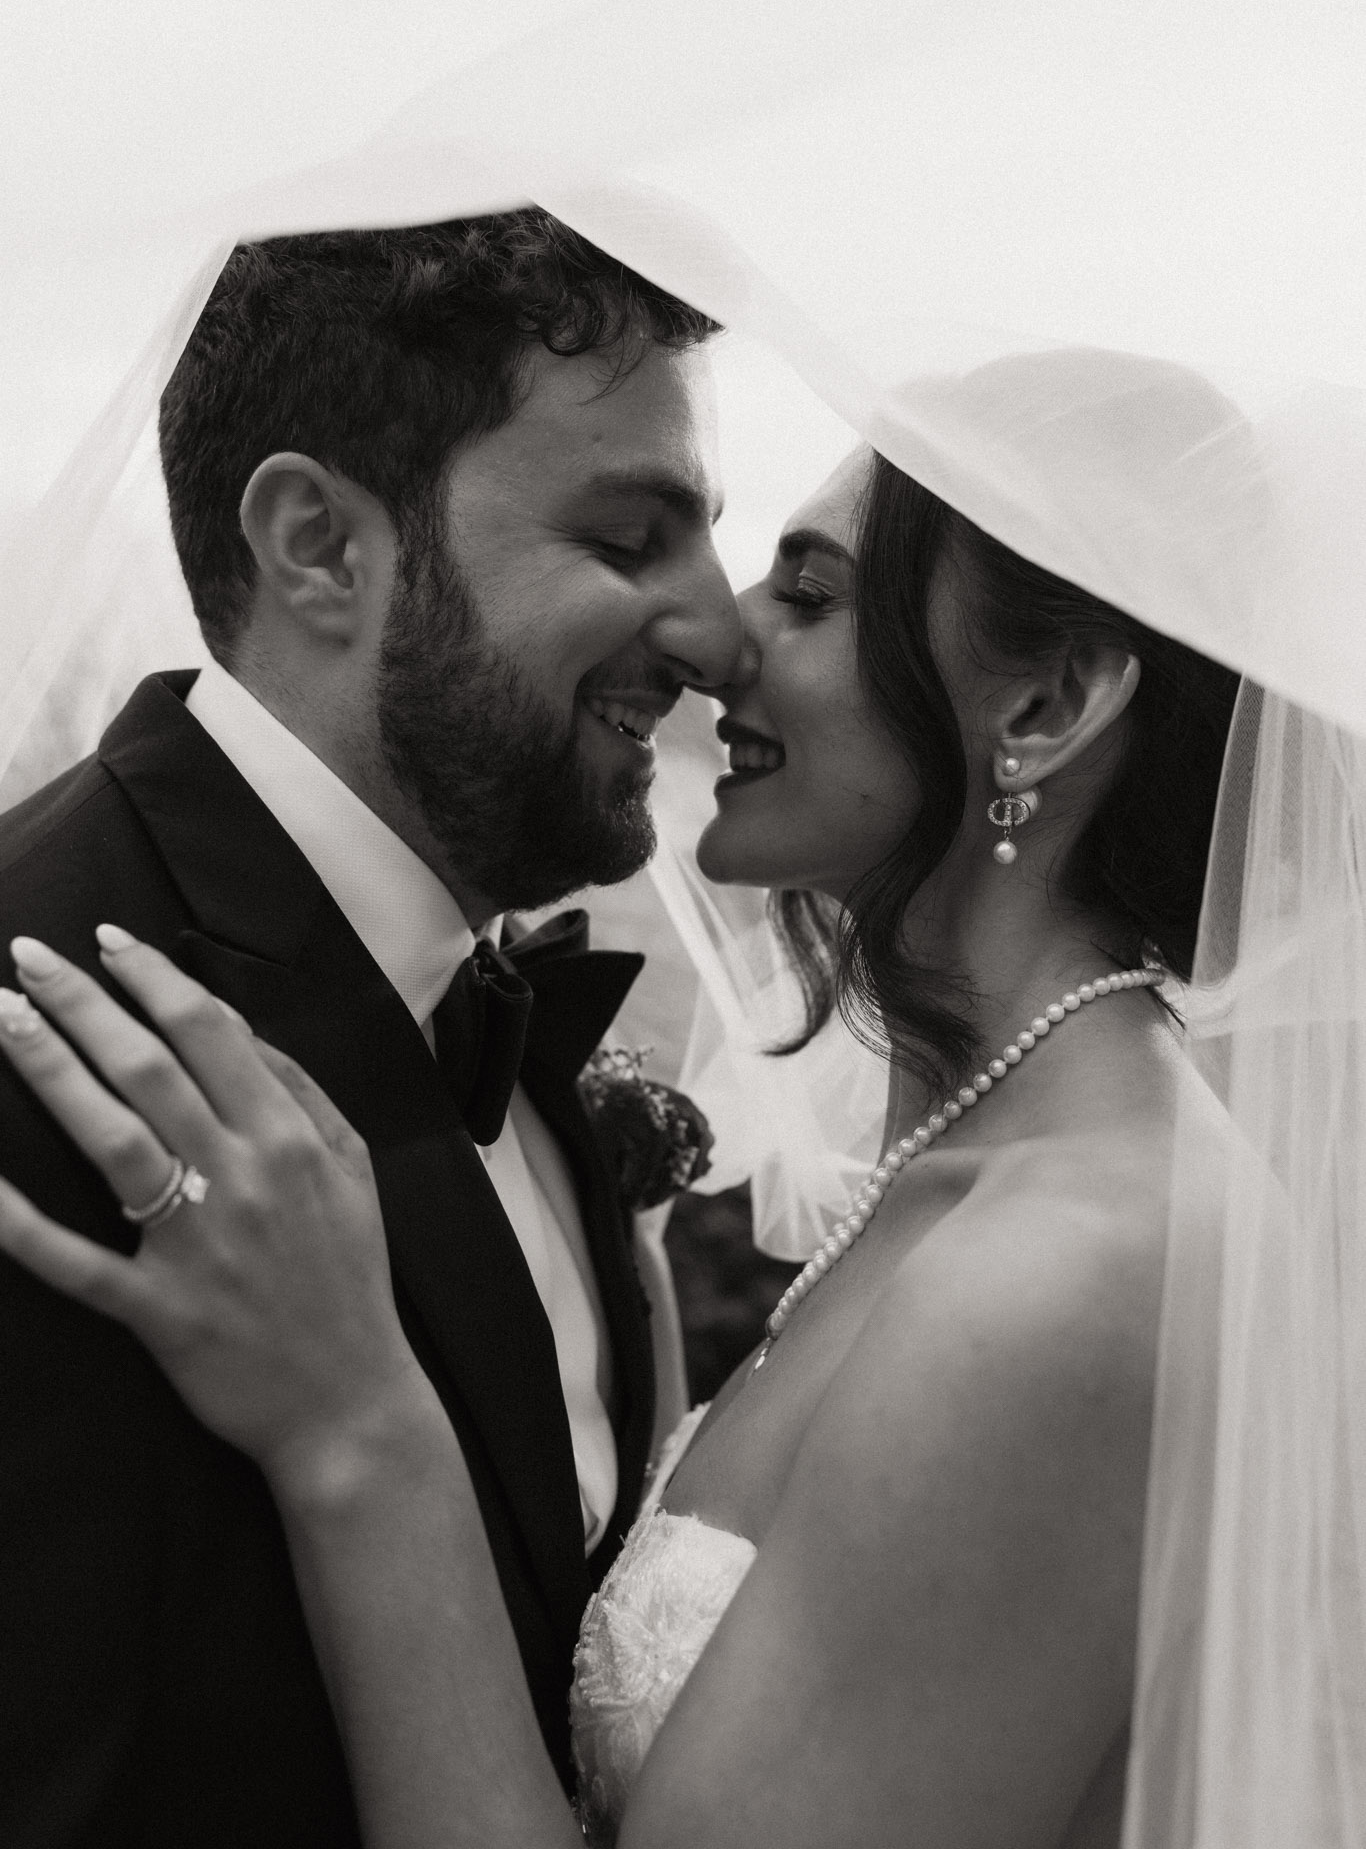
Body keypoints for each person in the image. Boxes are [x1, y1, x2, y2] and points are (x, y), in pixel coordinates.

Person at [0, 350, 1246, 1848]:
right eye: (631, 541)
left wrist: (360, 1429)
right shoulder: (962, 1170)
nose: (724, 640)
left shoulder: (1079, 1266)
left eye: (807, 590)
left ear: (1042, 703)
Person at [0, 213, 740, 1846]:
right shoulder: (38, 1024)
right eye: (631, 541)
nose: (723, 637)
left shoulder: (505, 1013)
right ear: (320, 545)